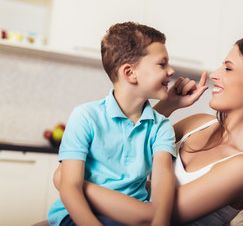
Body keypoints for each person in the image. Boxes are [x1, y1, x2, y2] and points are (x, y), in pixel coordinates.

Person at [53, 37, 243, 225]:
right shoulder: (199, 123)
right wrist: (168, 105)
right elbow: (127, 149)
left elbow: (150, 216)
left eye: (228, 68)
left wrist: (73, 185)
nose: (214, 75)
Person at [47, 22, 193, 226]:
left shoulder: (161, 126)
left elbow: (162, 178)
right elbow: (70, 186)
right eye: (162, 64)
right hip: (78, 216)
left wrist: (161, 221)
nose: (171, 70)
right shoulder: (85, 116)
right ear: (130, 73)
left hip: (128, 217)